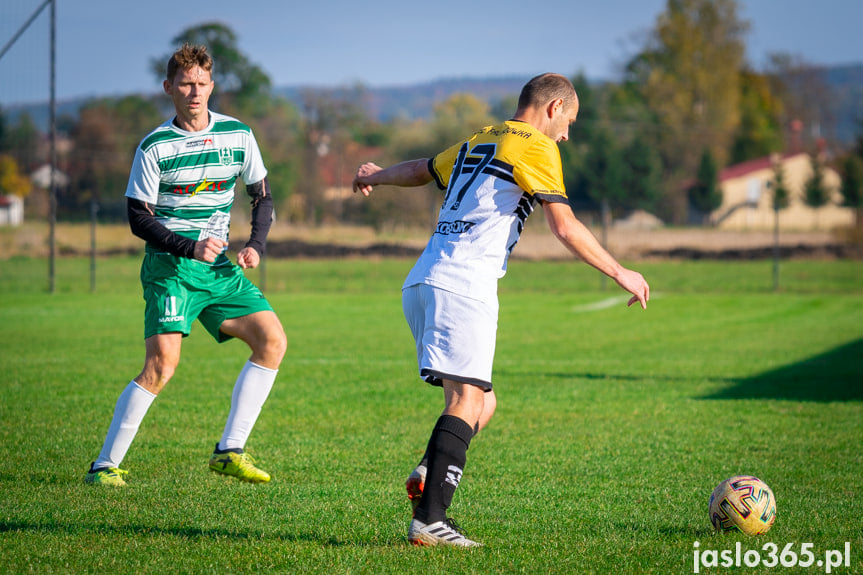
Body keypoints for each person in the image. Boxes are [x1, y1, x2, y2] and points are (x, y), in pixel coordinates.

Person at [352, 73, 650, 547]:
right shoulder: (537, 146)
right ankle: (430, 520)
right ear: (553, 108)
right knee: (466, 401)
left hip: (424, 278)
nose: (567, 135)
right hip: (464, 282)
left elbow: (420, 170)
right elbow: (565, 226)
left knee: (483, 403)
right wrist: (622, 273)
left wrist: (373, 175)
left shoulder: (481, 138)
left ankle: (431, 470)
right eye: (569, 121)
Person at [85, 44, 287, 487]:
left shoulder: (239, 135)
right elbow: (138, 216)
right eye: (185, 84)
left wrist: (255, 243)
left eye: (201, 83)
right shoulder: (155, 146)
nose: (194, 92)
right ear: (168, 88)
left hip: (217, 271)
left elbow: (263, 195)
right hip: (170, 268)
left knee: (272, 340)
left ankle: (229, 450)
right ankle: (104, 466)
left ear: (212, 86)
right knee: (161, 365)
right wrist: (188, 246)